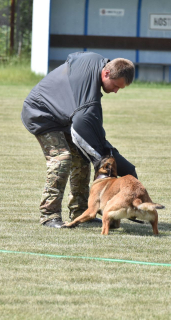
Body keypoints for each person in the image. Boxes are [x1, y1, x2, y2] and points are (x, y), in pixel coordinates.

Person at [21, 51, 137, 228]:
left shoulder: (96, 61)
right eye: (115, 85)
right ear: (106, 73)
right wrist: (102, 159)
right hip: (40, 114)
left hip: (63, 116)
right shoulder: (88, 99)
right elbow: (83, 126)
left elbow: (73, 56)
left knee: (81, 159)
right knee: (62, 159)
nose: (115, 91)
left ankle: (81, 212)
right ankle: (49, 215)